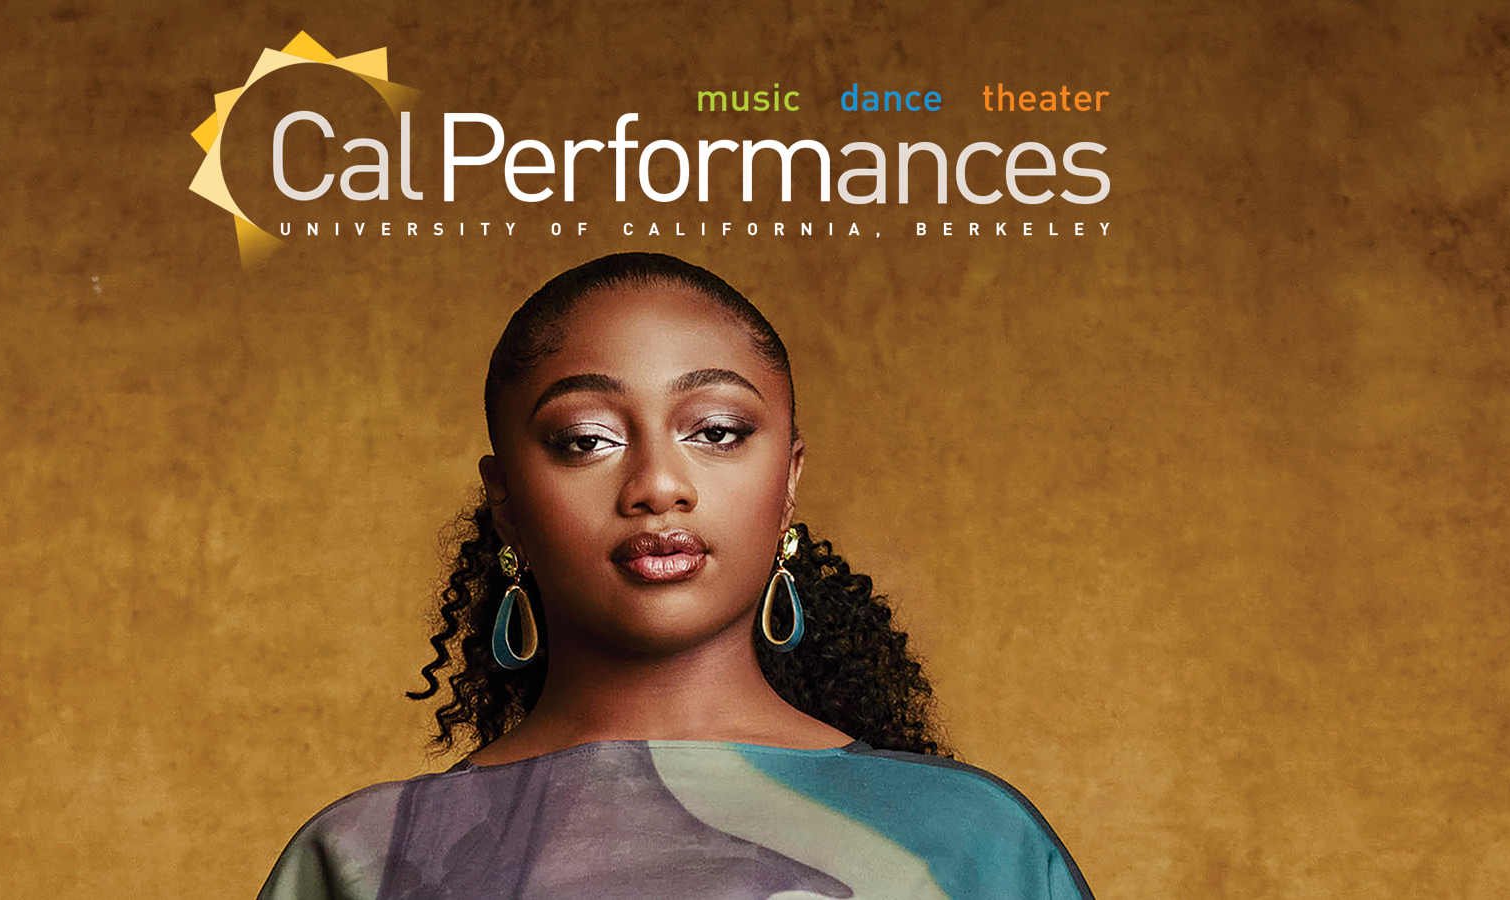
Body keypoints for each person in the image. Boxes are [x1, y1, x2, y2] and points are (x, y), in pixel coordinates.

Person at [256, 252, 1093, 900]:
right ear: (504, 499)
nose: (659, 483)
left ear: (789, 479)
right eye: (586, 439)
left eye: (719, 430)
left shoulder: (970, 841)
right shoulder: (366, 858)